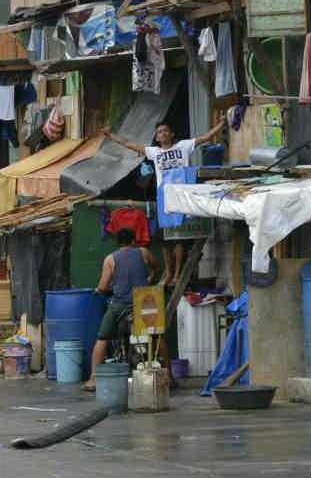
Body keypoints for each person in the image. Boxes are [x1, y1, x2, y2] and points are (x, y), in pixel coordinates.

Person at [112, 118, 226, 287]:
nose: (163, 133)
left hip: (181, 195)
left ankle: (178, 273)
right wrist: (110, 135)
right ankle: (170, 272)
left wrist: (221, 124)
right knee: (164, 238)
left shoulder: (183, 146)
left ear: (172, 134)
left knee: (178, 237)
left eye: (165, 130)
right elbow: (129, 144)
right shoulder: (154, 152)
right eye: (159, 132)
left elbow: (205, 138)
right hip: (164, 197)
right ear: (157, 137)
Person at [83, 228, 154, 391]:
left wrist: (100, 290)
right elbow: (155, 267)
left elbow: (102, 287)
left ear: (117, 242)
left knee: (102, 337)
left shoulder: (110, 259)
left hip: (120, 304)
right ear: (134, 241)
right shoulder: (144, 252)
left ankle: (93, 379)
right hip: (143, 302)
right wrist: (150, 277)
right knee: (157, 336)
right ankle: (169, 377)